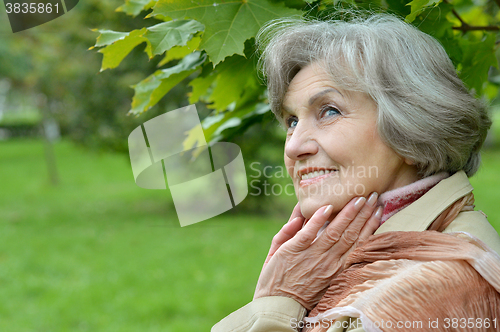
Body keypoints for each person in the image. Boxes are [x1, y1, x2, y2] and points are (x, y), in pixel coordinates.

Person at [212, 13, 500, 332]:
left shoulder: (440, 283)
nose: (293, 147)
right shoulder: (332, 259)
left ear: (410, 129)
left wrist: (277, 303)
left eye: (329, 111)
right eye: (292, 121)